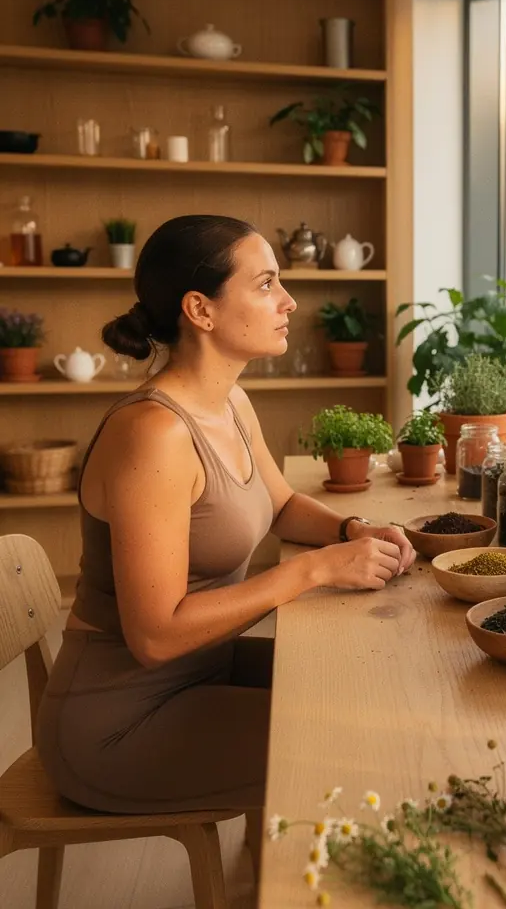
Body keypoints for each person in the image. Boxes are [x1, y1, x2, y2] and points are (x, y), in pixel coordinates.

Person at [36, 214, 415, 815]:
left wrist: (351, 530)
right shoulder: (153, 434)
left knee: (373, 688)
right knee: (362, 747)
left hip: (206, 673)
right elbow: (156, 636)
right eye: (266, 285)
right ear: (201, 310)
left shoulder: (230, 401)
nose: (288, 302)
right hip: (121, 720)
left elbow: (283, 505)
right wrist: (310, 572)